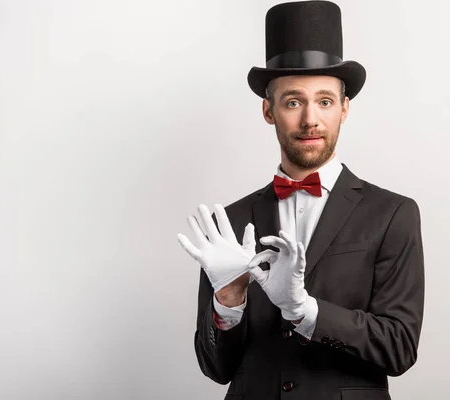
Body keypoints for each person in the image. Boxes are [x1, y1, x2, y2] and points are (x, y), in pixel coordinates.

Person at [177, 1, 425, 399]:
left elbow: (399, 347)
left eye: (325, 101)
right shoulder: (232, 221)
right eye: (293, 101)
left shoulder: (392, 214)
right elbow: (215, 368)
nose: (311, 118)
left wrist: (304, 311)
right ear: (268, 111)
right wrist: (227, 300)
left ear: (344, 109)